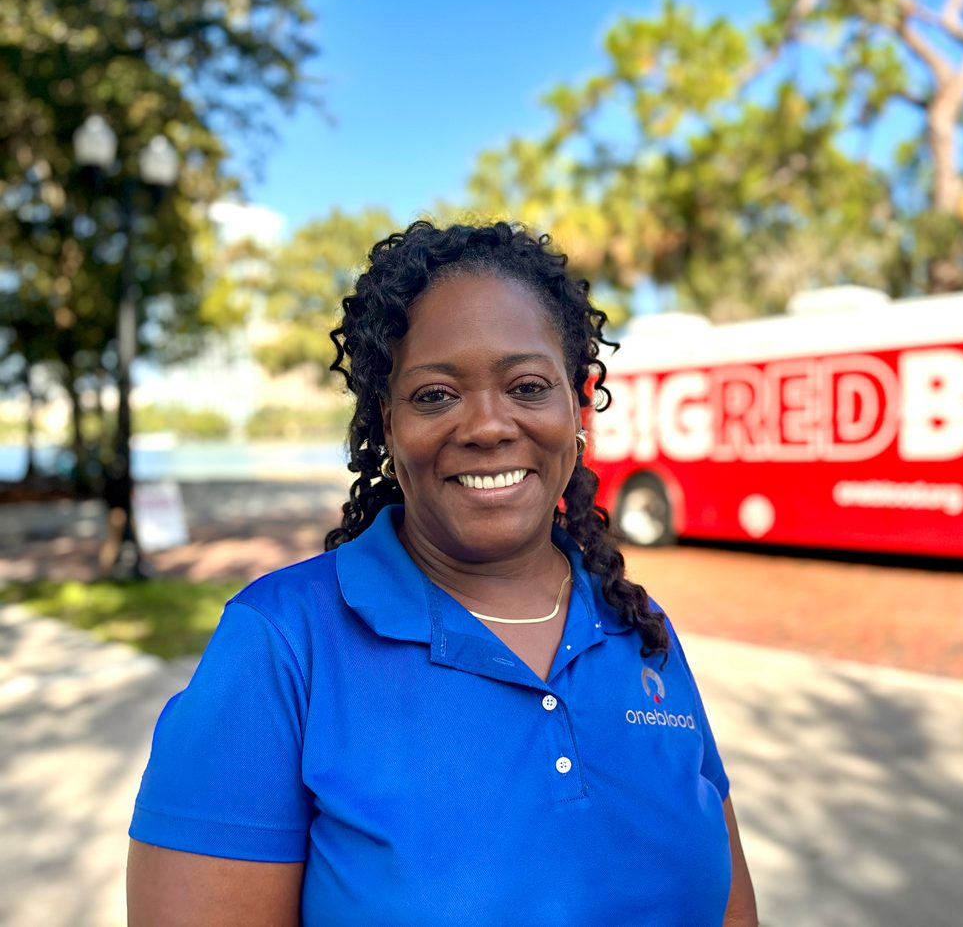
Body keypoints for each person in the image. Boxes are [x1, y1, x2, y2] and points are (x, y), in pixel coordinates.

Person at [126, 220, 758, 926]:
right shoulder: (282, 646)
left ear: (575, 409)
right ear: (386, 426)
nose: (489, 425)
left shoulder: (639, 628)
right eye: (435, 395)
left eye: (526, 385)